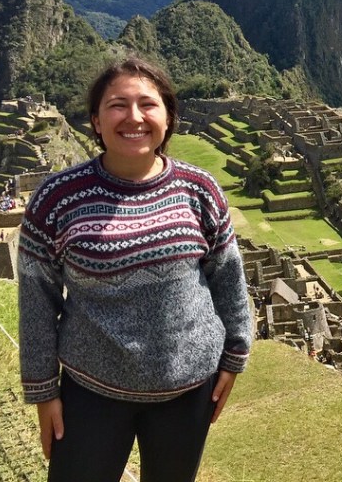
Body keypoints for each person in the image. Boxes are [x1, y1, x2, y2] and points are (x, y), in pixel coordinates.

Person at [18, 56, 253, 482]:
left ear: (168, 118)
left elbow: (228, 278)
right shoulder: (56, 199)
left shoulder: (199, 190)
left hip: (188, 388)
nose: (134, 117)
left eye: (148, 104)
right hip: (91, 390)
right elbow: (37, 301)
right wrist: (43, 390)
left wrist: (235, 356)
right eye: (117, 105)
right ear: (95, 120)